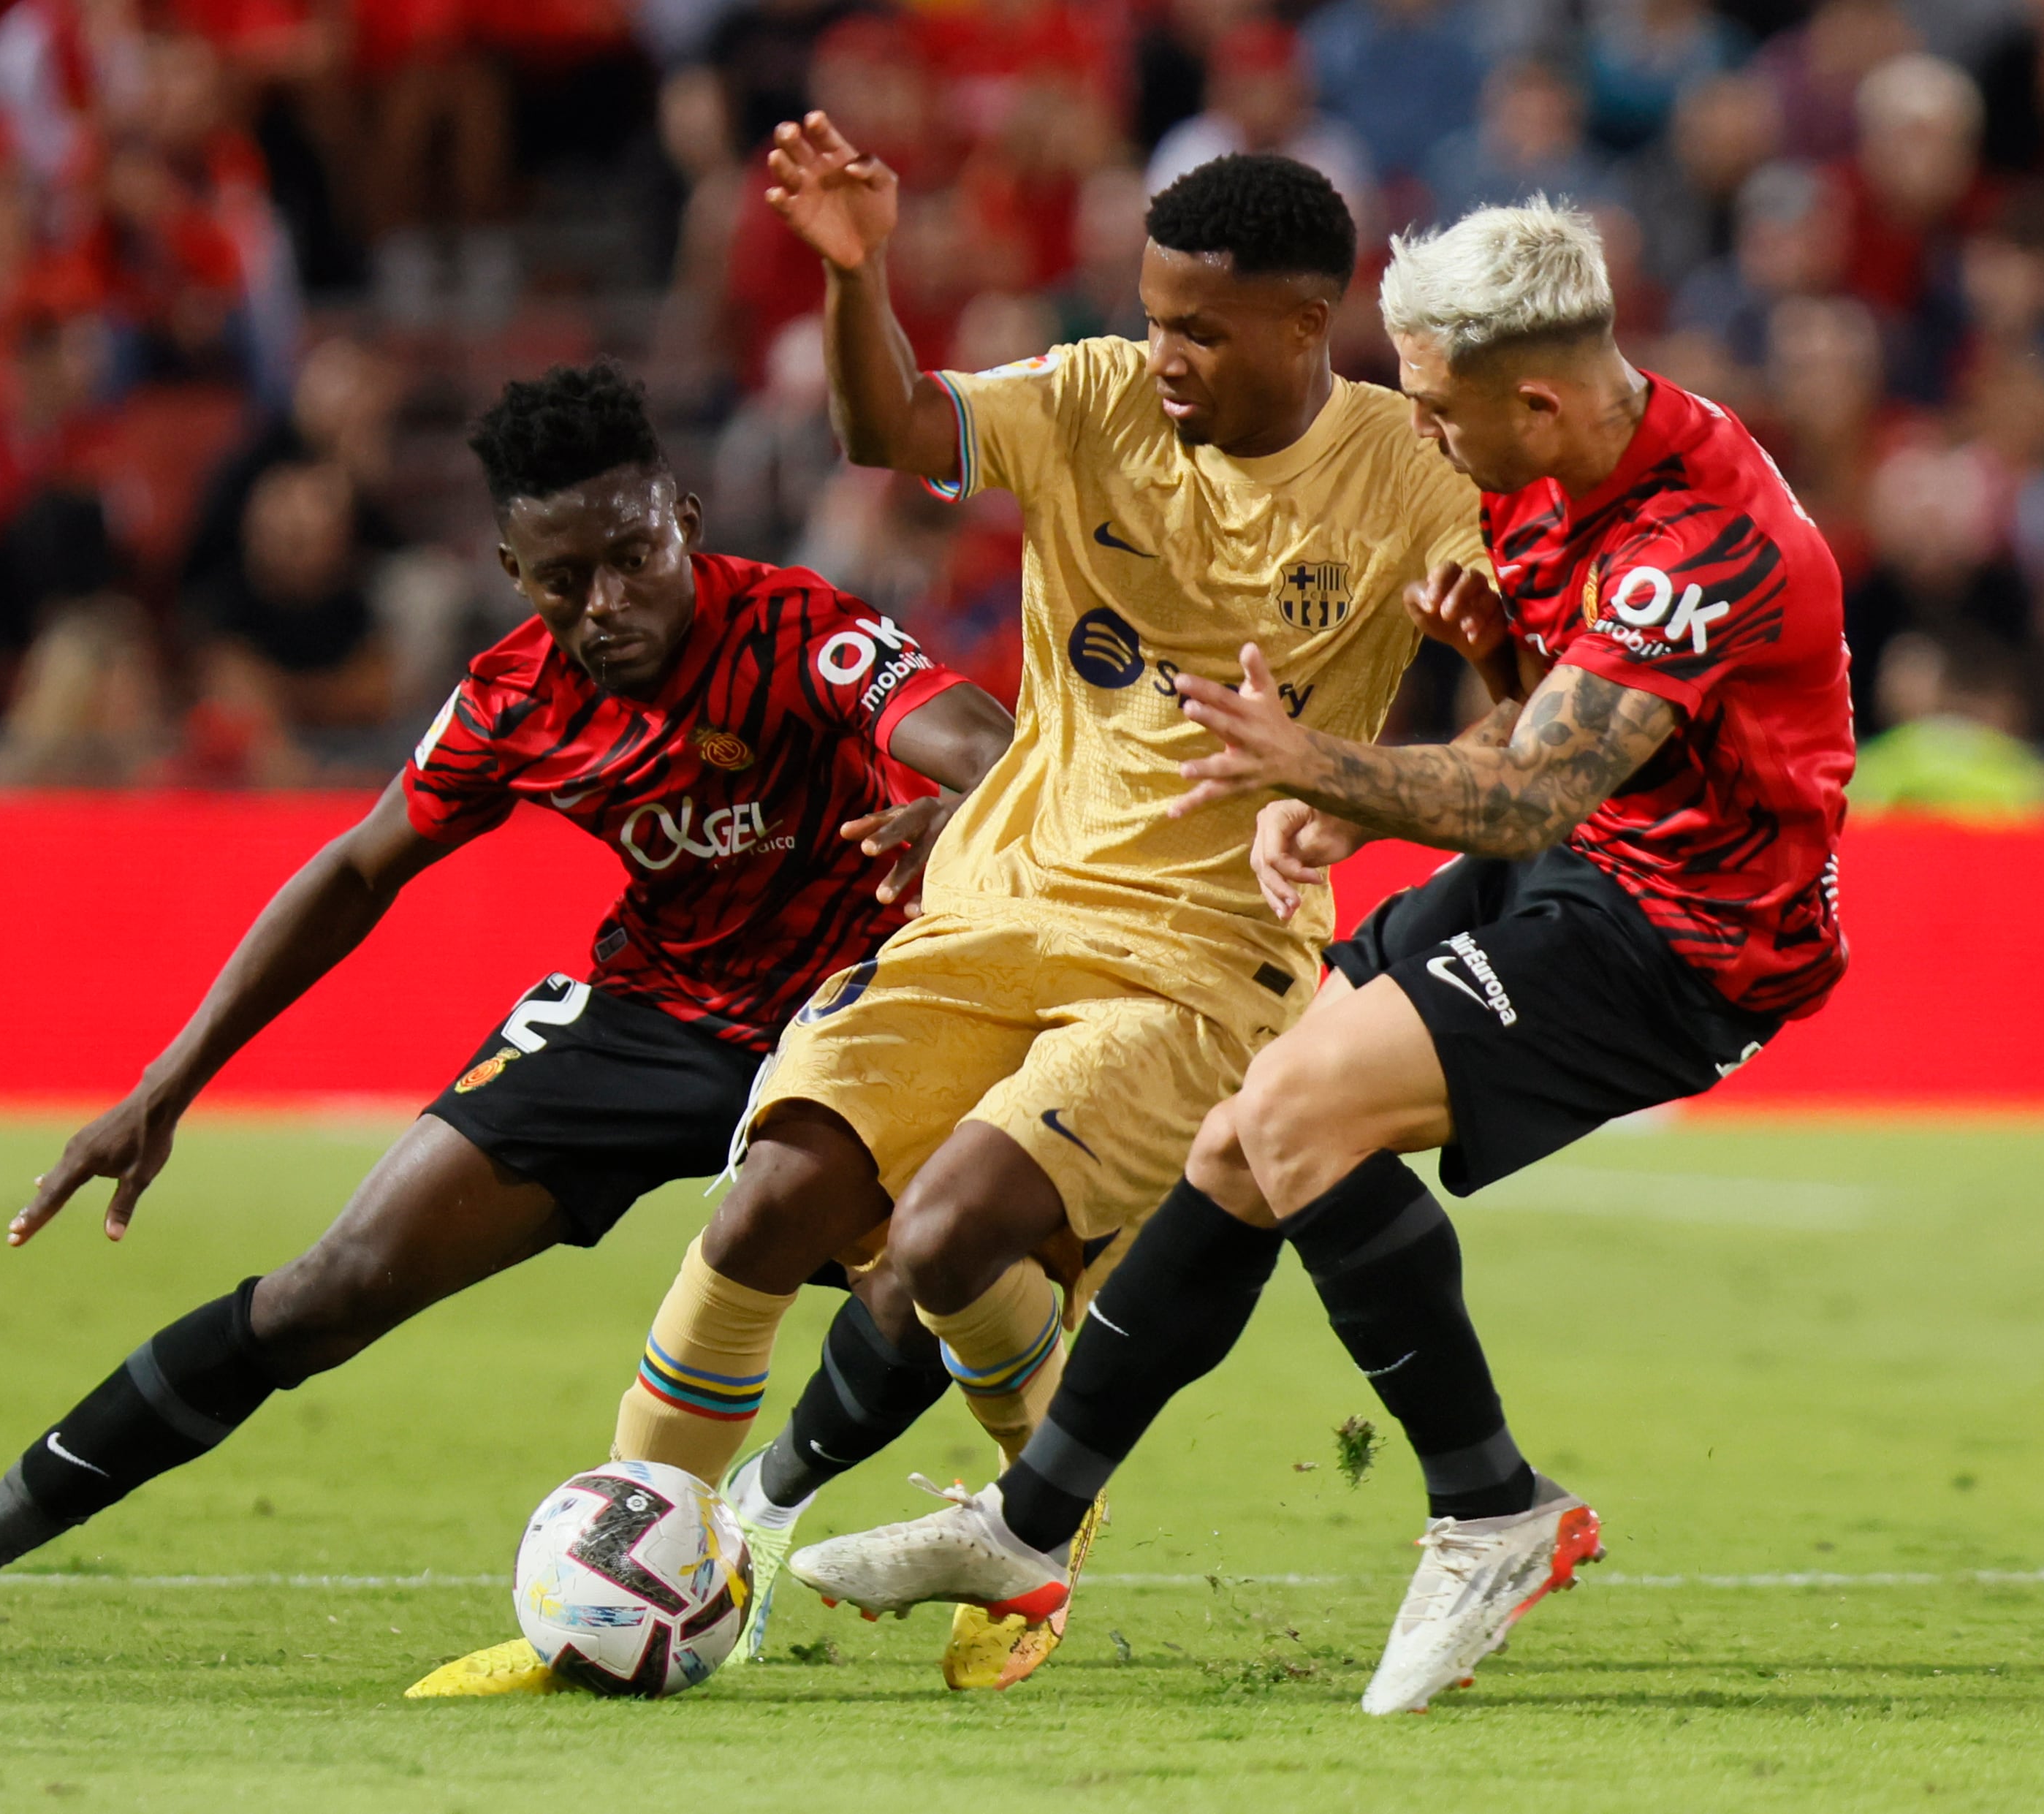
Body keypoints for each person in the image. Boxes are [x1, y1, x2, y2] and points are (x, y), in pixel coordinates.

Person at [422, 132, 1486, 1696]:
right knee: (767, 1198)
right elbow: (888, 424)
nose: (1162, 352)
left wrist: (1361, 780)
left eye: (1198, 327)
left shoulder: (1409, 468)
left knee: (941, 1232)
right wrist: (858, 273)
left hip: (1202, 954)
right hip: (992, 904)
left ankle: (1022, 1526)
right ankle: (625, 1576)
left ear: (1303, 319)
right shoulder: (1095, 396)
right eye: (1151, 312)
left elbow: (1517, 701)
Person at [0, 362, 1015, 1661]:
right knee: (328, 1286)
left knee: (937, 1264)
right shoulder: (517, 696)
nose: (605, 604)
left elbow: (980, 741)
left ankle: (767, 1517)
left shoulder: (793, 628)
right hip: (648, 1015)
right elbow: (362, 865)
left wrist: (956, 808)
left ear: (684, 520)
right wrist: (169, 1081)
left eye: (633, 556)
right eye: (560, 579)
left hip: (854, 1008)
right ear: (511, 569)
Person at [789, 198, 1855, 1718]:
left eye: (1434, 403)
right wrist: (1385, 768)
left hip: (1689, 936)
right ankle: (1025, 1532)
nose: (1416, 427)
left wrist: (1316, 764)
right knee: (1237, 1144)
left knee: (1296, 1108)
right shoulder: (1549, 467)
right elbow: (1535, 728)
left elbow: (1544, 784)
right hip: (1569, 871)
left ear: (1532, 397)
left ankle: (1493, 1507)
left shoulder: (1695, 542)